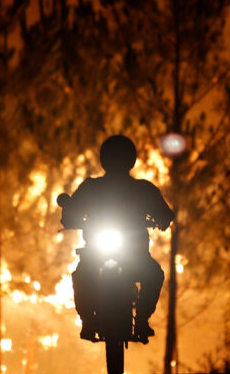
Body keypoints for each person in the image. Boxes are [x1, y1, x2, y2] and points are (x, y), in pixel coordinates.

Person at [60, 135, 173, 343]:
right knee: (81, 276)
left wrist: (164, 219)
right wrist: (69, 215)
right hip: (96, 251)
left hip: (135, 254)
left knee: (155, 275)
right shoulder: (92, 188)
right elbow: (70, 213)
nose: (117, 161)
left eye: (119, 157)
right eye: (114, 157)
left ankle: (141, 319)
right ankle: (87, 321)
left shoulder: (143, 189)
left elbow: (165, 213)